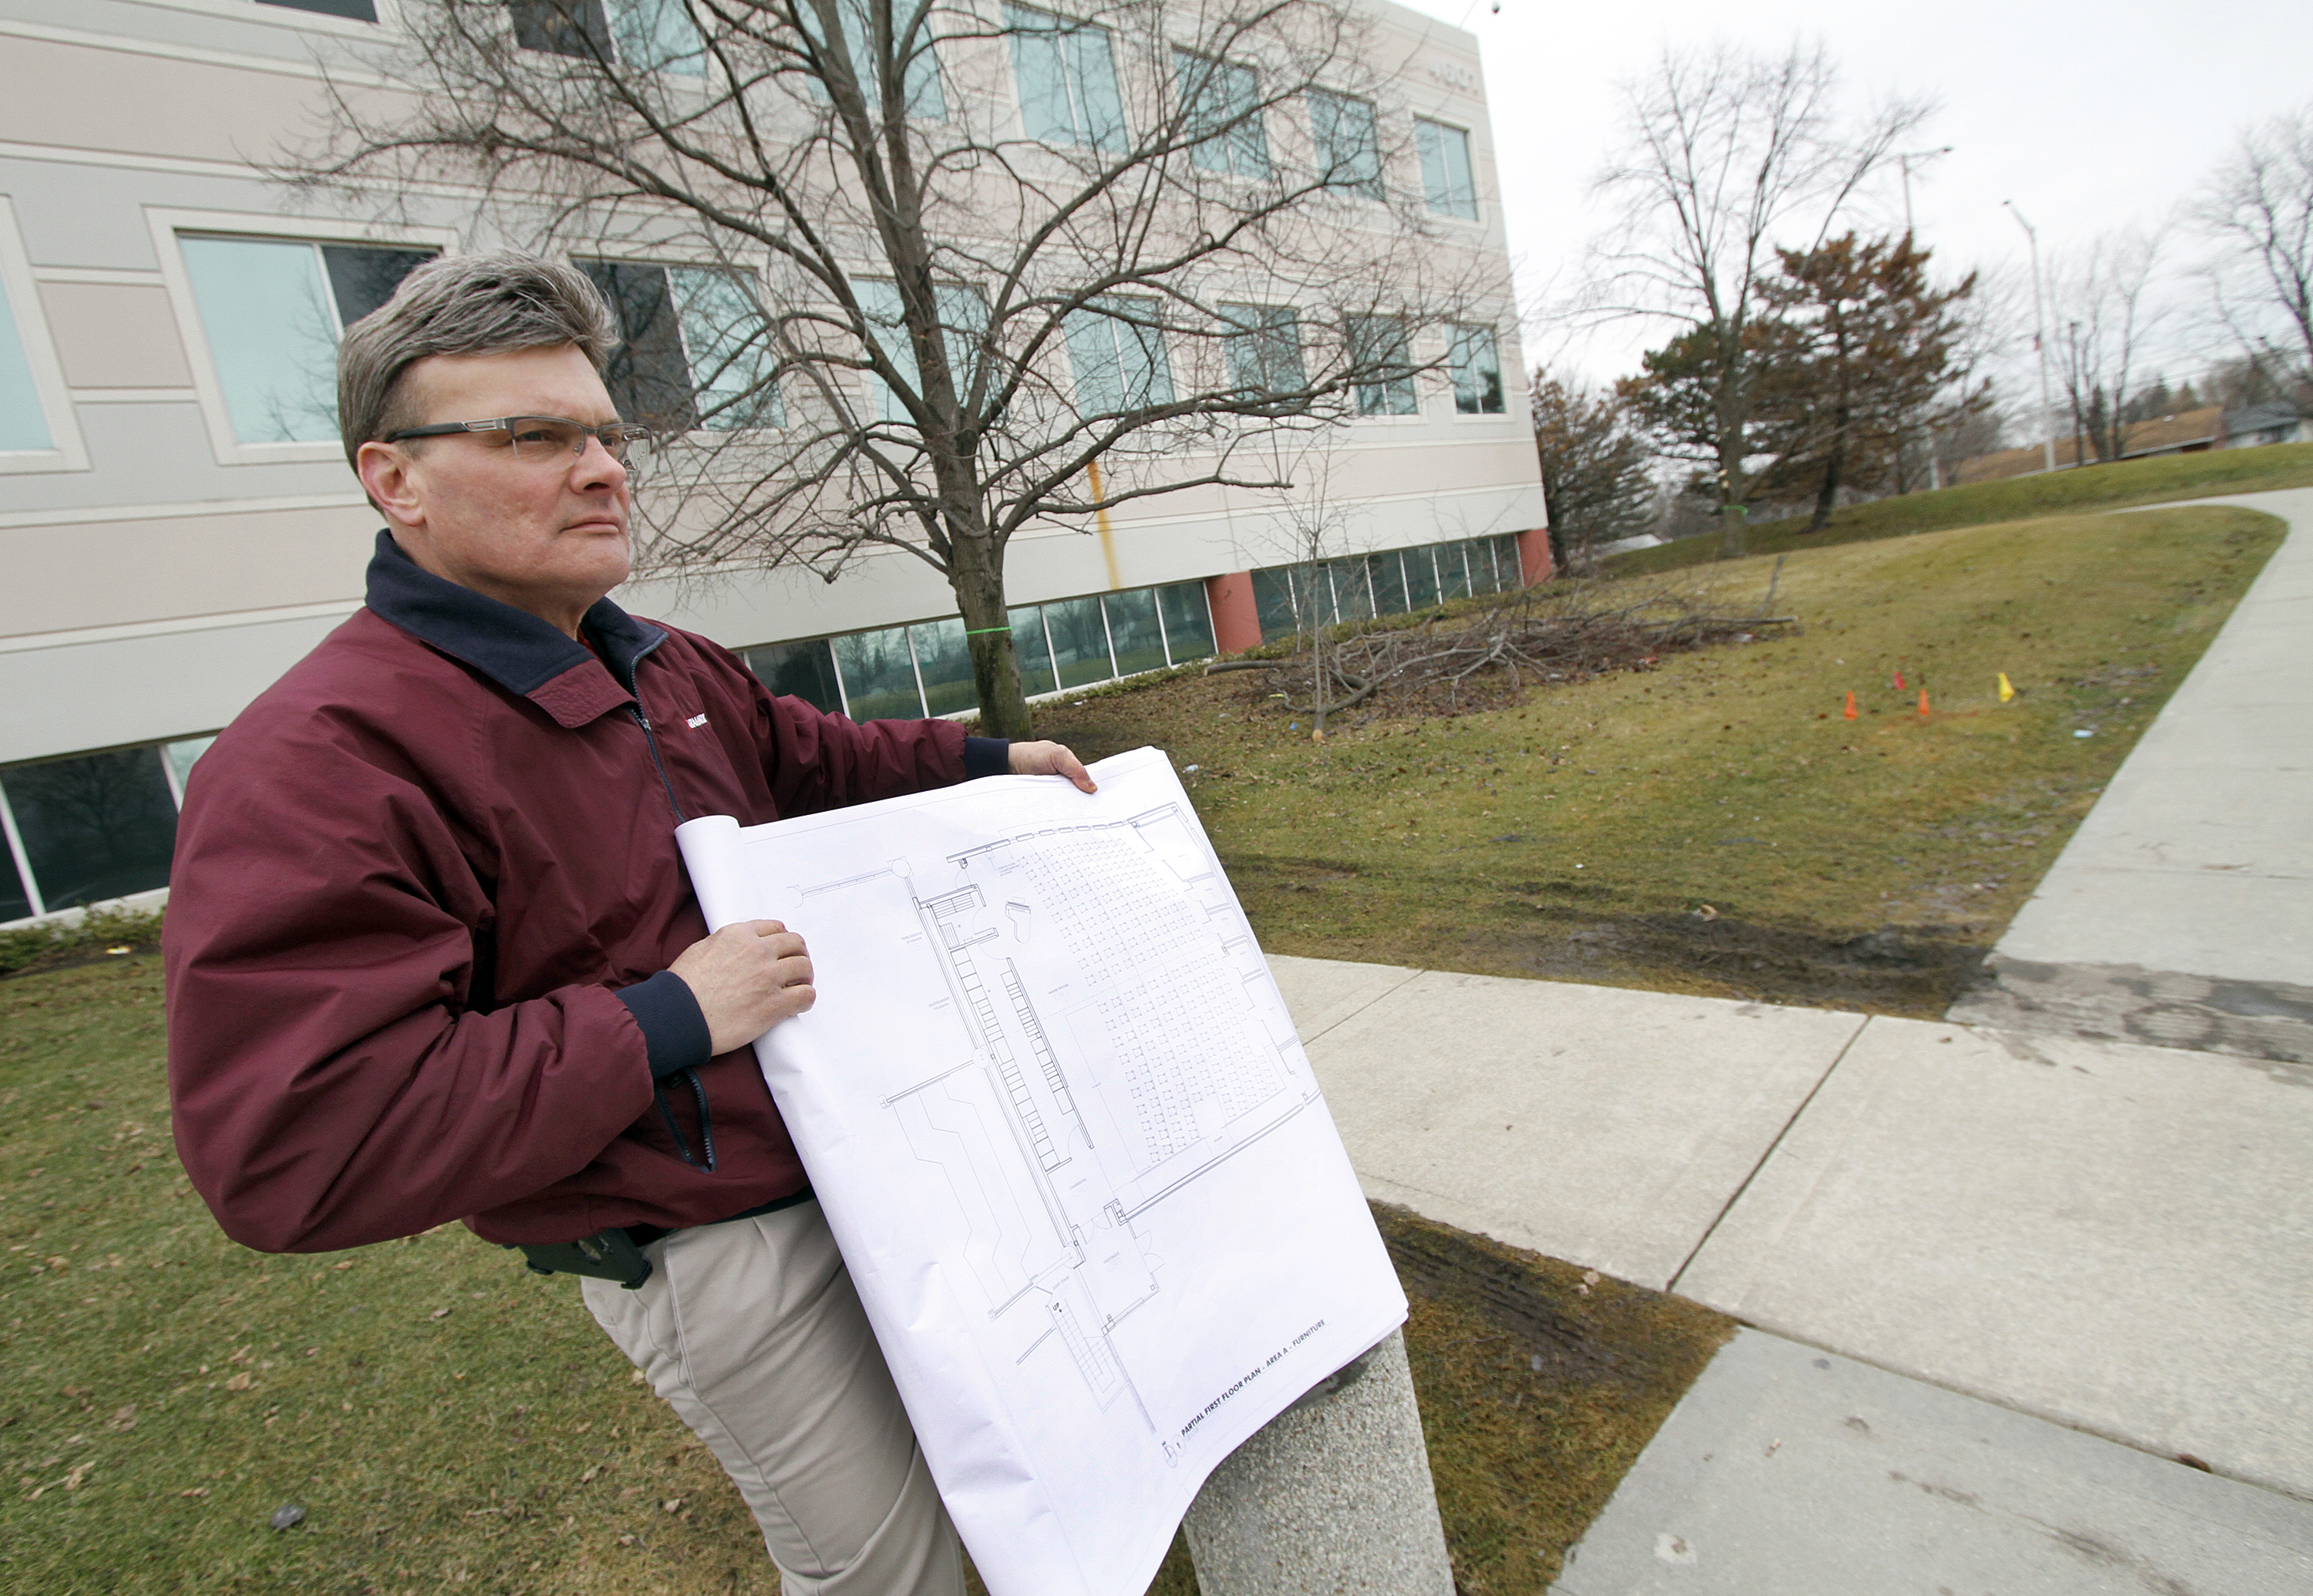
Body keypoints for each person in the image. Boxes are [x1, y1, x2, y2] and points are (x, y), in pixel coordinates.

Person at [162, 251, 1094, 1596]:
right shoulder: (318, 759)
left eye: (605, 431)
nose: (604, 468)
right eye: (534, 435)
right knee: (898, 1578)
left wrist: (981, 761)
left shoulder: (652, 654)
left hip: (877, 1170)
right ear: (394, 480)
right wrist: (669, 1014)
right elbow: (297, 1139)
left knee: (1014, 1511)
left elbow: (805, 755)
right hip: (715, 1252)